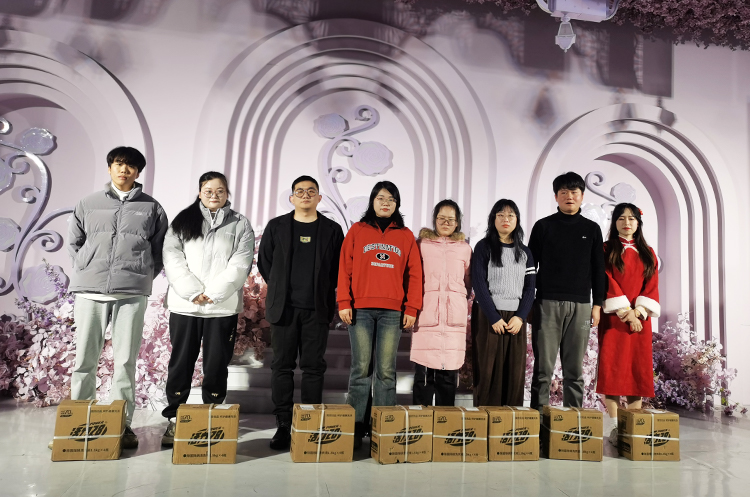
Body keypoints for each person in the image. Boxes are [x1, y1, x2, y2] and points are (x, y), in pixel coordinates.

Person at [66, 146, 168, 449]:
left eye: (131, 166)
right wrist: (87, 268)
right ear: (110, 167)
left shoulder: (151, 207)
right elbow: (74, 243)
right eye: (119, 164)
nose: (124, 170)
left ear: (138, 172)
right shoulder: (88, 203)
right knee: (84, 361)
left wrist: (141, 275)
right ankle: (78, 422)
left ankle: (121, 426)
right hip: (90, 292)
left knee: (125, 362)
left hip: (131, 293)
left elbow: (159, 250)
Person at [159, 171, 254, 446]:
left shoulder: (240, 224)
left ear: (227, 193)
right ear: (200, 192)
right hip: (185, 306)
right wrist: (192, 291)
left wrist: (214, 293)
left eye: (220, 190)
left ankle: (211, 414)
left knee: (216, 364)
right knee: (181, 362)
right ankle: (174, 417)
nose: (214, 195)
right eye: (208, 190)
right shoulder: (183, 221)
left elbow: (241, 262)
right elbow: (172, 256)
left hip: (221, 307)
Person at [258, 175, 345, 450]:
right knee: (282, 366)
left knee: (313, 367)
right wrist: (280, 287)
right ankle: (283, 424)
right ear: (292, 198)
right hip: (283, 309)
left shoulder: (332, 229)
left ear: (319, 198)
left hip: (316, 309)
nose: (305, 195)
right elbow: (264, 262)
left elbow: (338, 268)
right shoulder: (276, 226)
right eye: (300, 191)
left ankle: (309, 422)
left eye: (311, 191)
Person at [338, 181, 423, 448]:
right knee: (360, 370)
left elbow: (415, 274)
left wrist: (412, 307)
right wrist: (344, 301)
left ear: (397, 204)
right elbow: (344, 268)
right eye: (381, 198)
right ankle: (356, 429)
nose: (386, 203)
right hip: (360, 309)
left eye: (391, 199)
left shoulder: (406, 236)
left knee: (386, 371)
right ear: (372, 201)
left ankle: (382, 429)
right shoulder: (357, 230)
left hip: (392, 312)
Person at [528, 171, 605, 411]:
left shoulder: (592, 229)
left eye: (574, 192)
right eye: (563, 192)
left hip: (581, 307)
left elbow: (598, 270)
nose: (569, 196)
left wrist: (597, 305)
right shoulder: (543, 226)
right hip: (547, 303)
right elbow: (530, 268)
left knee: (574, 369)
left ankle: (574, 420)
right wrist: (529, 303)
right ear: (556, 197)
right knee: (543, 369)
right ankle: (538, 419)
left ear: (582, 195)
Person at [597, 203, 660, 444]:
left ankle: (632, 428)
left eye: (631, 218)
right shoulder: (606, 249)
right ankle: (614, 428)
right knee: (613, 370)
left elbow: (651, 286)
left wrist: (639, 312)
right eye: (621, 218)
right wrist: (627, 313)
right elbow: (606, 280)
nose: (627, 223)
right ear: (614, 222)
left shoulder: (648, 252)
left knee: (637, 371)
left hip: (640, 321)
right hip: (615, 319)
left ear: (638, 223)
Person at [471, 199, 536, 406]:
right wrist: (493, 317)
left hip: (515, 320)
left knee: (514, 374)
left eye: (510, 215)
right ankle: (485, 419)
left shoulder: (525, 252)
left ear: (517, 220)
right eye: (500, 215)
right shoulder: (483, 247)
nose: (505, 219)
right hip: (489, 317)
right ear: (493, 219)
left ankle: (510, 421)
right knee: (488, 372)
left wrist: (520, 317)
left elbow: (530, 288)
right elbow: (479, 283)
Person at [410, 199, 471, 407]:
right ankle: (420, 424)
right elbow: (413, 277)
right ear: (434, 220)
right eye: (441, 218)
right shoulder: (422, 245)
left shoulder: (464, 249)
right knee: (423, 378)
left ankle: (446, 423)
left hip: (453, 320)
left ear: (457, 223)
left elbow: (468, 281)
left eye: (450, 219)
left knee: (448, 379)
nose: (446, 223)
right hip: (427, 316)